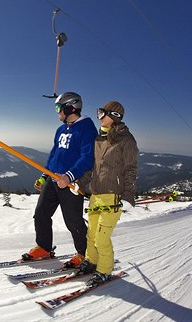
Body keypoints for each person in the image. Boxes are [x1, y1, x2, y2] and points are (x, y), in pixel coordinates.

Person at [22, 92, 98, 269]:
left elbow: (88, 157)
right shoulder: (61, 129)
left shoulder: (86, 128)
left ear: (69, 108)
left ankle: (84, 254)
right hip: (54, 180)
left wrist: (69, 176)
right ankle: (44, 248)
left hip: (71, 183)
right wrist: (44, 175)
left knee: (73, 221)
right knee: (41, 213)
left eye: (58, 108)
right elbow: (54, 155)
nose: (57, 112)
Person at [76, 100, 138, 287]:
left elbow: (131, 170)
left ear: (114, 116)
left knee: (102, 237)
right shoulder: (99, 139)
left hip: (113, 196)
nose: (99, 117)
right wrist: (79, 183)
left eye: (102, 113)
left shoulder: (126, 140)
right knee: (92, 234)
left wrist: (128, 195)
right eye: (99, 113)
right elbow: (93, 168)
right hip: (96, 194)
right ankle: (91, 261)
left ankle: (104, 270)